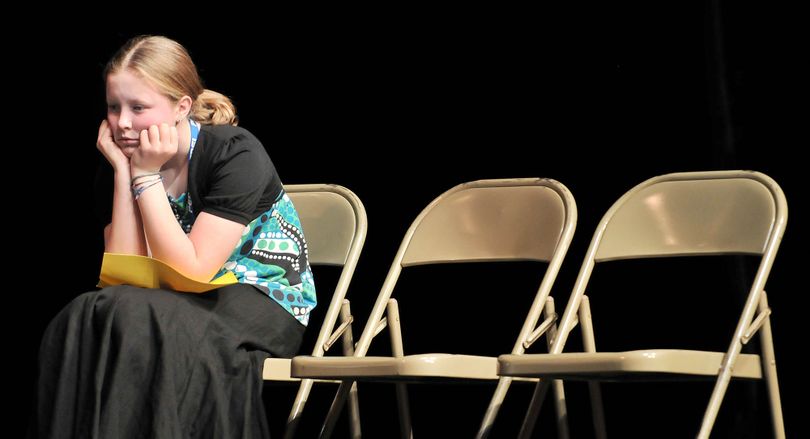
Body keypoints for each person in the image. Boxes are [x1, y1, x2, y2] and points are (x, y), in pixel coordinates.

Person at [30, 35, 315, 438]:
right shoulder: (120, 164)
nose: (122, 123)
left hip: (259, 298)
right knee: (87, 310)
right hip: (175, 299)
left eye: (138, 108)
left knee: (142, 316)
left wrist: (145, 176)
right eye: (114, 107)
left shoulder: (234, 153)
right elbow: (125, 278)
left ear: (182, 107)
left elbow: (192, 268)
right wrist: (122, 172)